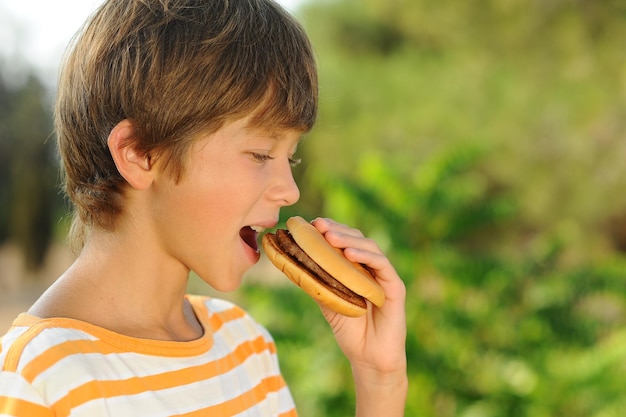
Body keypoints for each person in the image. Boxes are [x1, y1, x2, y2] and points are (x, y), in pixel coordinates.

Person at [0, 0, 407, 416]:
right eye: (261, 154)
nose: (290, 191)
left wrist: (379, 377)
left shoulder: (244, 344)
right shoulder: (40, 377)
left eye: (292, 158)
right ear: (141, 153)